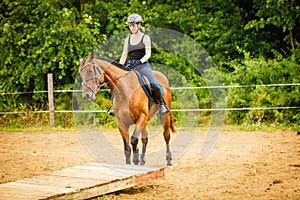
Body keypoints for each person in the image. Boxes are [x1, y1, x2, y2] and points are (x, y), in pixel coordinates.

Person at [108, 13, 169, 116]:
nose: (132, 27)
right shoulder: (128, 39)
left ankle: (162, 104)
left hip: (143, 65)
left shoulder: (145, 38)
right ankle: (115, 107)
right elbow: (124, 55)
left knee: (153, 83)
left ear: (139, 25)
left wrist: (140, 62)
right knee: (117, 83)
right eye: (130, 25)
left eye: (134, 25)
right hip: (130, 65)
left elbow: (148, 53)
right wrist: (119, 67)